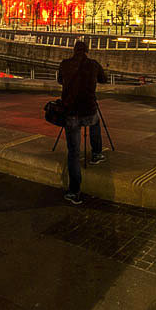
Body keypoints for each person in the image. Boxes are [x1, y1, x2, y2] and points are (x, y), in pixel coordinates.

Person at [57, 40, 108, 205]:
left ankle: (74, 192)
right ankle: (96, 153)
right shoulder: (93, 64)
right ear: (86, 51)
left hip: (71, 111)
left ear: (74, 51)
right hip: (88, 109)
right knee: (95, 122)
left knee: (73, 152)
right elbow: (104, 79)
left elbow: (60, 80)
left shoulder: (65, 64)